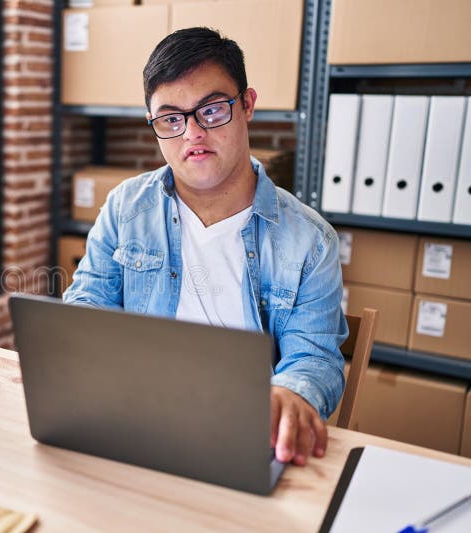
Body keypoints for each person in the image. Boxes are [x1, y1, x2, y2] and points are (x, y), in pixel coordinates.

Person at [63, 26, 347, 467]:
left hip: (241, 436)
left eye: (211, 110)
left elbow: (314, 358)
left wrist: (292, 393)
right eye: (171, 119)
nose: (191, 133)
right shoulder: (125, 208)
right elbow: (87, 306)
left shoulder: (310, 241)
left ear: (247, 105)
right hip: (131, 422)